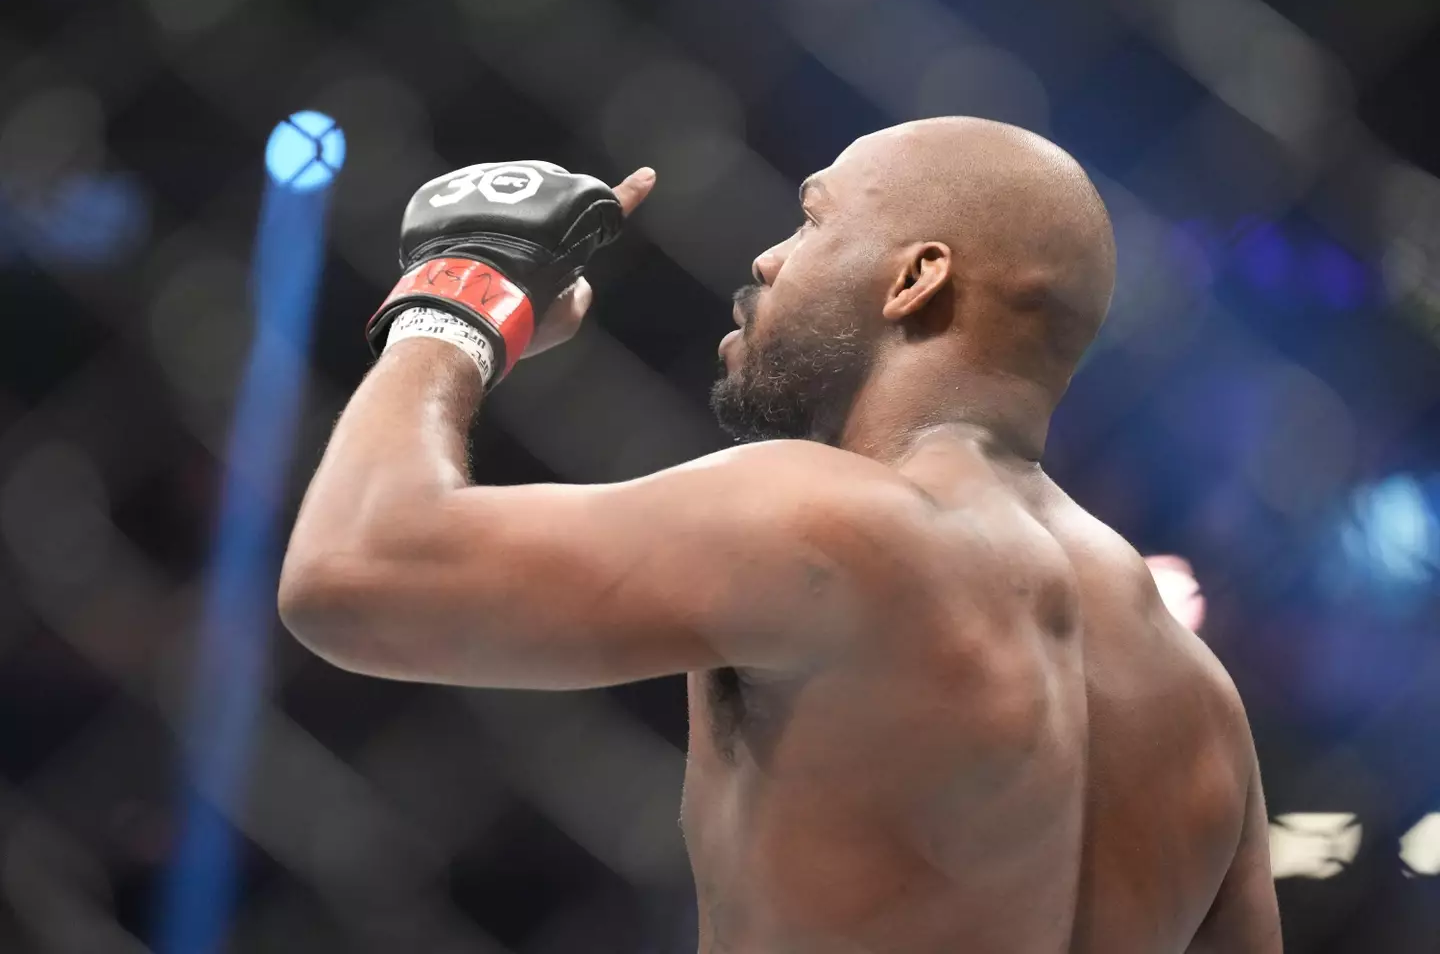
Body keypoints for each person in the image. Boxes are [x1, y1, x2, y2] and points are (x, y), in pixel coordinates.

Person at [279, 117, 1280, 953]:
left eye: (810, 220)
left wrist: (458, 298)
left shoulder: (832, 519)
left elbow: (352, 568)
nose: (767, 257)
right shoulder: (1201, 698)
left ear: (915, 279)